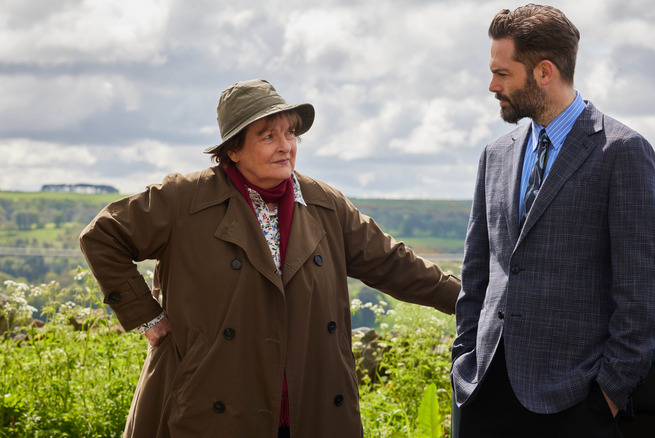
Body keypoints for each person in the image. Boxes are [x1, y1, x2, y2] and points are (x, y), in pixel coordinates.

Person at [79, 78, 461, 438]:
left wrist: (468, 299)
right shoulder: (185, 198)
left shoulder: (325, 203)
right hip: (210, 402)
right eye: (268, 136)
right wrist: (145, 315)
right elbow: (103, 236)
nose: (285, 146)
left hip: (310, 407)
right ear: (233, 149)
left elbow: (393, 263)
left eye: (290, 133)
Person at [450, 5, 655, 437]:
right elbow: (477, 273)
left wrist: (607, 396)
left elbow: (641, 291)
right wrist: (463, 359)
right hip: (483, 392)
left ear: (544, 72)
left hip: (574, 403)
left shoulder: (622, 152)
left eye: (502, 73)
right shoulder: (495, 154)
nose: (492, 86)